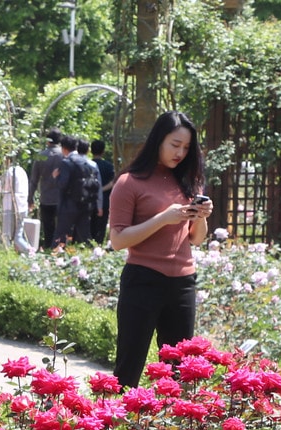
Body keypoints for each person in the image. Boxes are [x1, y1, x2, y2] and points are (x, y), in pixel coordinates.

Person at [107, 111, 213, 389]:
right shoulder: (129, 182)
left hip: (182, 283)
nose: (180, 153)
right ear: (158, 141)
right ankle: (116, 428)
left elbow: (196, 239)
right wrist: (163, 218)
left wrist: (200, 215)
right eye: (174, 144)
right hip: (143, 279)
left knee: (180, 369)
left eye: (186, 148)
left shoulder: (189, 180)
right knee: (128, 367)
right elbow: (118, 240)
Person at [55, 135, 97, 244]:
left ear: (64, 148)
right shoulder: (86, 162)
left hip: (69, 204)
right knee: (84, 237)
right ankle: (92, 257)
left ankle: (54, 257)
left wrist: (56, 177)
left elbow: (62, 184)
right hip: (86, 203)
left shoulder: (66, 162)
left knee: (60, 236)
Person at [29, 130, 64, 249]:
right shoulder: (64, 156)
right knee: (62, 227)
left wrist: (30, 198)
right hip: (62, 198)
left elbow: (34, 180)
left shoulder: (41, 156)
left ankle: (49, 249)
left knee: (48, 227)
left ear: (48, 141)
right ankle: (60, 250)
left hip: (46, 197)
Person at [0, 156, 31, 252]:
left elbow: (5, 189)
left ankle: (8, 255)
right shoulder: (22, 171)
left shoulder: (10, 172)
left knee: (6, 235)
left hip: (10, 207)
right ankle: (30, 251)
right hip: (22, 206)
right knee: (18, 236)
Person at [90, 138, 116, 243]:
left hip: (89, 201)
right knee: (101, 228)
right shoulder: (109, 166)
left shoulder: (88, 165)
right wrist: (102, 189)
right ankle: (99, 247)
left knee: (90, 226)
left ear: (91, 151)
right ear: (103, 151)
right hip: (105, 200)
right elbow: (113, 182)